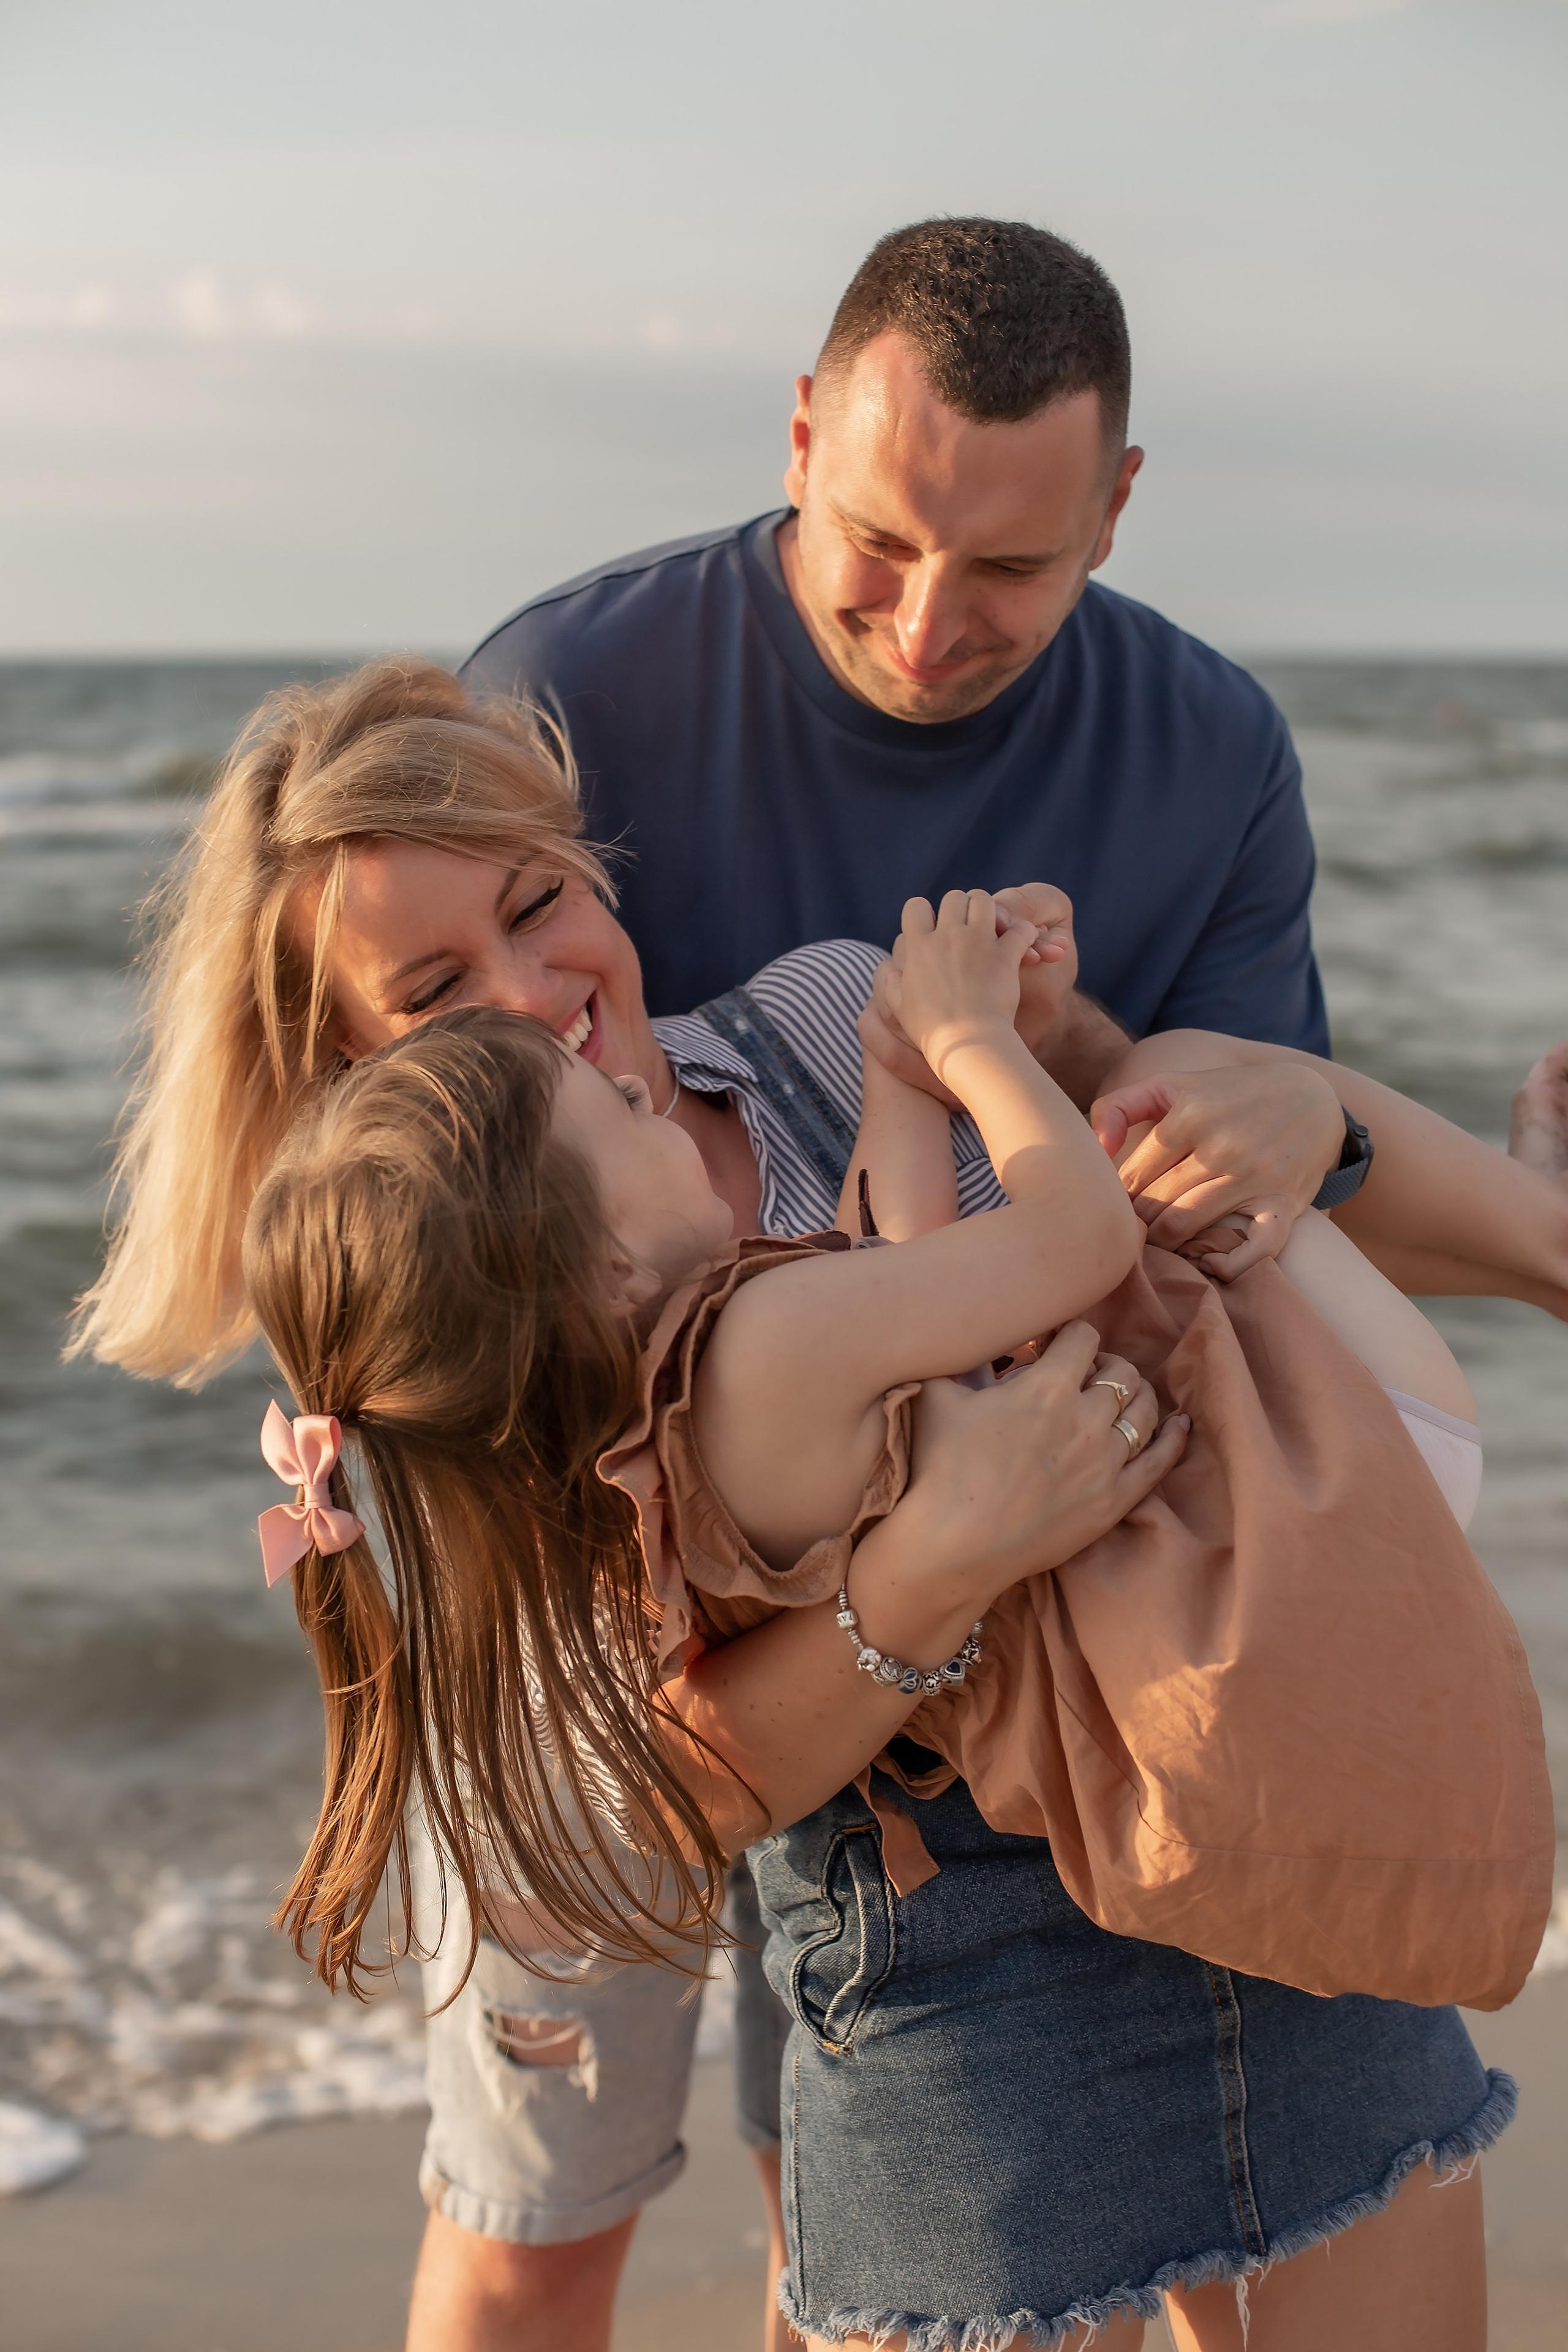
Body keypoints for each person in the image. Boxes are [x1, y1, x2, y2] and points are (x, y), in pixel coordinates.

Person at [71, 661, 1568, 2350]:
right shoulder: (468, 1336)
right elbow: (641, 1798)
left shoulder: (786, 1042)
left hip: (1034, 1794)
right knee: (535, 2221)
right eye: (433, 987)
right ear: (347, 1060)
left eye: (539, 903)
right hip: (629, 1807)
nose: (529, 1001)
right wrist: (932, 1562)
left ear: (592, 868)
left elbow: (1044, 1269)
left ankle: (1538, 1220)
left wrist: (1089, 1061)